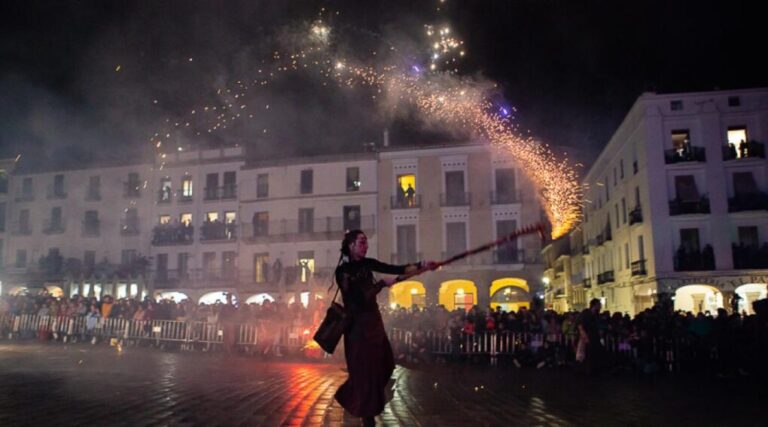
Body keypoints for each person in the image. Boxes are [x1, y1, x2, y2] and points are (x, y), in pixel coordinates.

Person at [333, 229, 436, 426]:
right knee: (364, 371)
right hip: (357, 328)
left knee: (385, 363)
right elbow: (356, 300)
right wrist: (381, 284)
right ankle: (367, 416)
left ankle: (366, 404)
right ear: (351, 245)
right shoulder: (343, 272)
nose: (366, 245)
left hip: (374, 323)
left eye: (366, 242)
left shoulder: (368, 263)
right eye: (362, 242)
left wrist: (422, 266)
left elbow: (395, 269)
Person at [578, 298, 604, 375]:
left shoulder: (596, 315)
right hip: (588, 336)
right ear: (595, 305)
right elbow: (580, 325)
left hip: (595, 337)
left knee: (595, 353)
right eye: (599, 305)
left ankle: (594, 369)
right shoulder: (586, 313)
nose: (600, 306)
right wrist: (584, 336)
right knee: (587, 354)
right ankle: (587, 370)